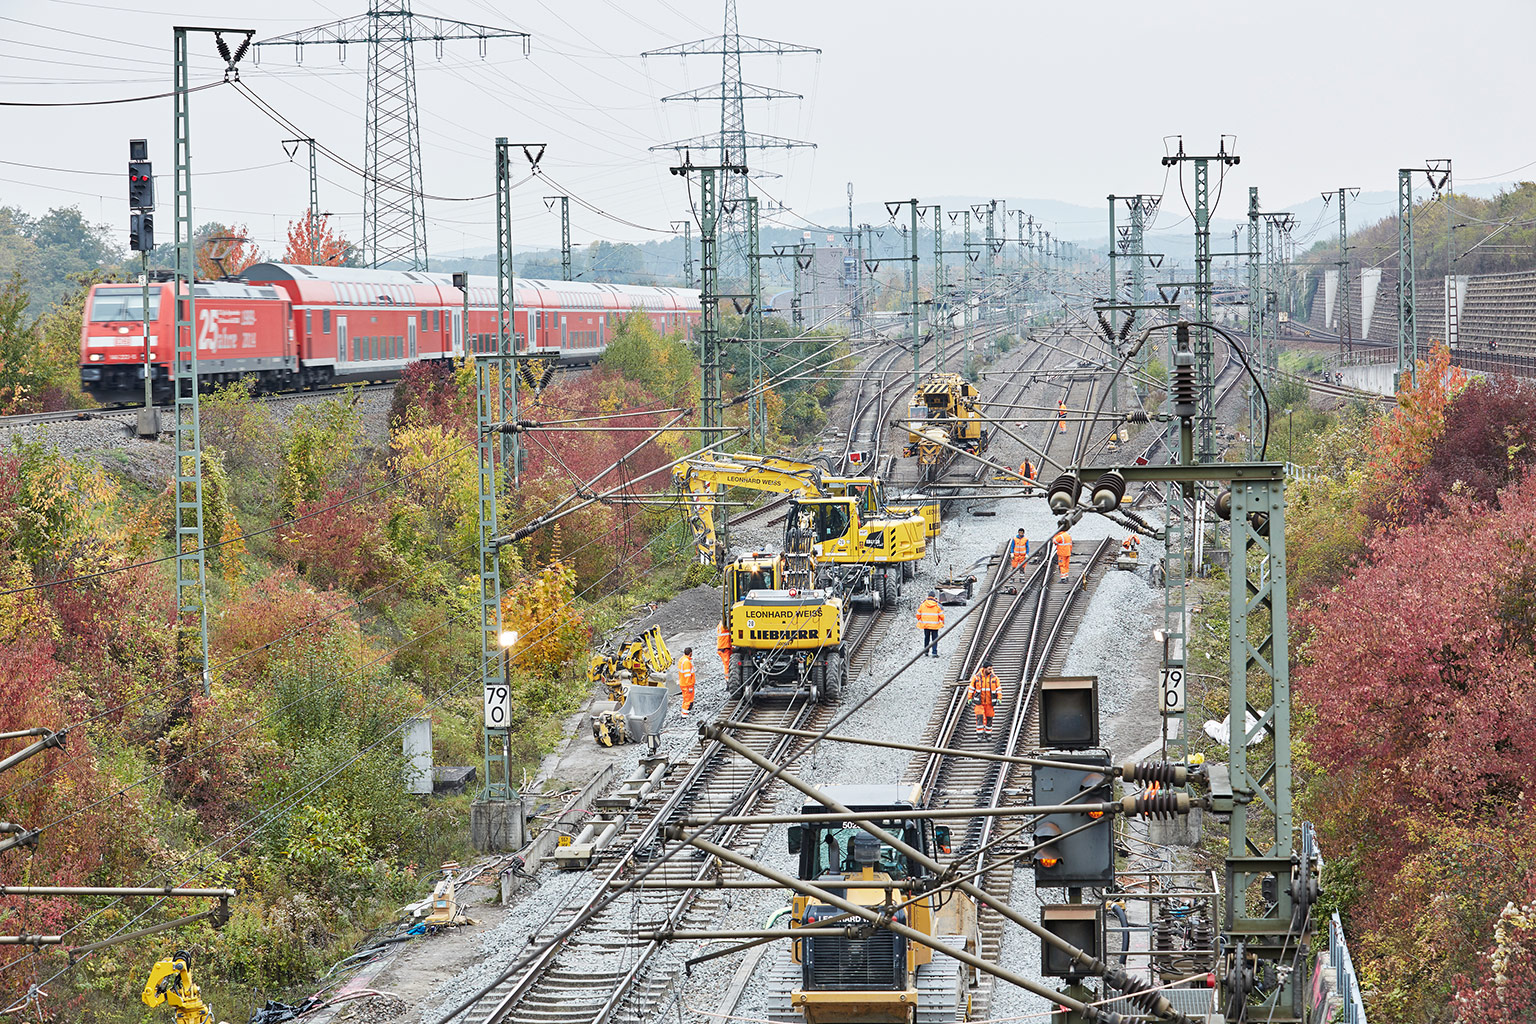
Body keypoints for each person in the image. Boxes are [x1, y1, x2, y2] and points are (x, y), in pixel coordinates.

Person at [967, 661, 1002, 737]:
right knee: (980, 717)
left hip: (989, 703)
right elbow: (971, 688)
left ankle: (988, 734)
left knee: (989, 718)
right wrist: (969, 697)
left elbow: (998, 689)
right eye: (989, 669)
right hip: (980, 702)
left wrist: (999, 698)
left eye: (991, 669)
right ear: (984, 669)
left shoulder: (994, 678)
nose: (991, 671)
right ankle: (979, 734)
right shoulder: (976, 677)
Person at [916, 592, 945, 659]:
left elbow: (918, 615)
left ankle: (926, 651)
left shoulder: (923, 604)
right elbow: (942, 616)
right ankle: (934, 653)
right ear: (934, 597)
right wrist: (941, 622)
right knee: (934, 639)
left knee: (926, 637)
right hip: (935, 625)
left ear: (928, 596)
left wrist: (922, 619)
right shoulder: (937, 605)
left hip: (926, 625)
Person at [677, 647, 696, 717]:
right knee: (688, 699)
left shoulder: (681, 660)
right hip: (687, 684)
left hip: (682, 683)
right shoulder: (687, 662)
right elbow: (687, 675)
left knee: (685, 699)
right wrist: (690, 686)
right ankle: (684, 714)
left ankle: (684, 712)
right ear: (690, 653)